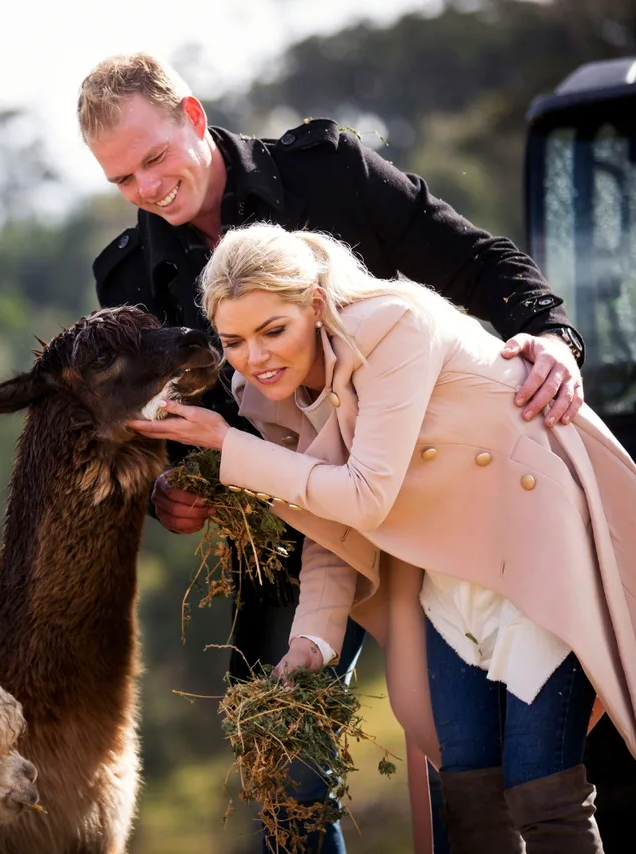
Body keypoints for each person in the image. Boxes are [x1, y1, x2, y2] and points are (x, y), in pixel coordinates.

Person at [79, 52, 587, 853]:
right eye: (122, 180)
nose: (146, 189)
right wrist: (169, 490)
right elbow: (169, 433)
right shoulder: (128, 280)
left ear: (195, 118)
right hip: (298, 527)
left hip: (441, 488)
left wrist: (555, 338)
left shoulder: (333, 173)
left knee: (471, 763)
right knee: (283, 763)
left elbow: (476, 260)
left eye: (155, 158)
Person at [127, 221, 636, 854]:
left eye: (273, 331)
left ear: (313, 303)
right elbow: (331, 519)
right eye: (234, 341)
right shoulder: (261, 393)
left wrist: (230, 447)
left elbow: (363, 493)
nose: (255, 358)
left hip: (539, 554)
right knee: (469, 796)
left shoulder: (393, 326)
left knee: (542, 795)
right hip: (446, 579)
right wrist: (313, 637)